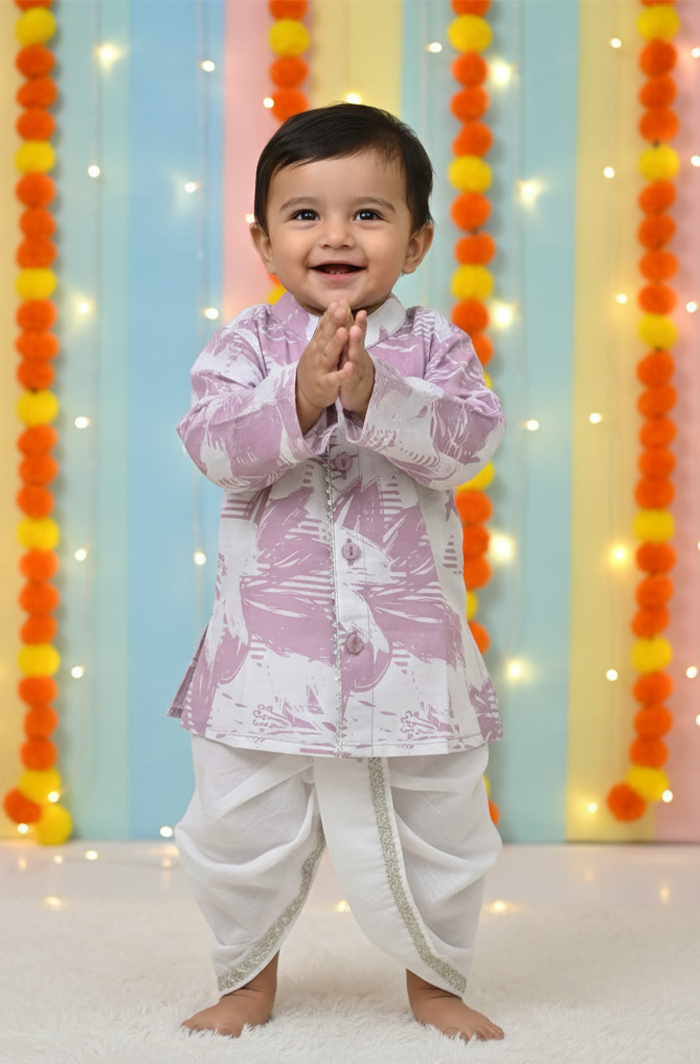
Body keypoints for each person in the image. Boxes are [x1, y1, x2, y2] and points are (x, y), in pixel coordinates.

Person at [169, 103, 506, 1043]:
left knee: (440, 825)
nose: (336, 236)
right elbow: (215, 448)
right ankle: (247, 979)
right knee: (238, 827)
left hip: (410, 658)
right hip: (265, 662)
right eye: (305, 214)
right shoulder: (245, 346)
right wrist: (303, 393)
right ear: (263, 240)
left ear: (417, 240)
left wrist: (371, 389)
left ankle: (436, 982)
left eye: (369, 213)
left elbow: (469, 442)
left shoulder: (435, 346)